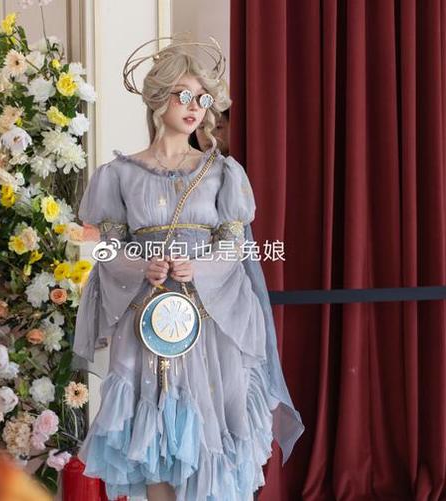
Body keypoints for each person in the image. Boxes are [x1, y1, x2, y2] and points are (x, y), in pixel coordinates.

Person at [73, 38, 303, 501]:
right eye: (183, 95)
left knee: (209, 428)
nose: (195, 107)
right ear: (158, 98)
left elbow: (236, 248)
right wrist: (141, 265)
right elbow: (105, 250)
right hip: (145, 318)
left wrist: (197, 265)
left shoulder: (223, 173)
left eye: (202, 98)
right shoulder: (118, 175)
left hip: (210, 321)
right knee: (152, 435)